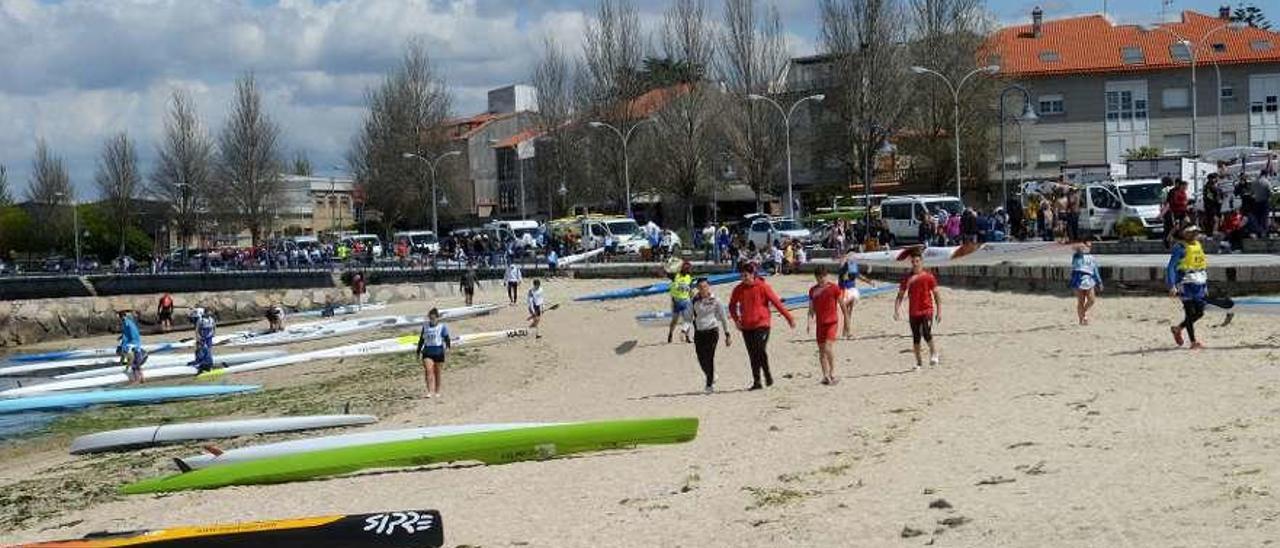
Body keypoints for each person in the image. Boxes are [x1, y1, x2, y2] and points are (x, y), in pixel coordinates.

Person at [728, 262, 796, 390]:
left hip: (762, 323)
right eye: (742, 276)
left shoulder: (763, 287)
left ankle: (767, 373)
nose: (744, 278)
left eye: (746, 276)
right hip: (746, 326)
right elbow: (732, 305)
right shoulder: (738, 289)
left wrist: (789, 318)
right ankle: (757, 381)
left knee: (760, 350)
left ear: (753, 274)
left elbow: (776, 302)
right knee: (752, 354)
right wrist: (736, 320)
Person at [894, 251, 942, 370]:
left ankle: (934, 353)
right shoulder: (907, 278)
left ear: (921, 262)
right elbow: (900, 295)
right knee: (916, 338)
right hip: (913, 312)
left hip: (927, 310)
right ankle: (919, 362)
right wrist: (896, 310)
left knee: (926, 332)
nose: (915, 264)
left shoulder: (929, 276)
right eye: (913, 262)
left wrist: (939, 312)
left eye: (917, 261)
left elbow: (937, 296)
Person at [1167, 225, 1208, 350]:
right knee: (1189, 312)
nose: (1195, 235)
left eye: (1196, 233)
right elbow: (1171, 267)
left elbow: (1202, 265)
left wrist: (1205, 285)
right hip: (1185, 283)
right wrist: (1172, 285)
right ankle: (1193, 341)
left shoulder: (1198, 245)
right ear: (1185, 234)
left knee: (1200, 312)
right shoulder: (1179, 248)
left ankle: (1178, 329)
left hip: (1199, 281)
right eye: (1192, 233)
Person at [690, 277, 731, 394]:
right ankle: (712, 375)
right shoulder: (694, 300)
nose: (703, 289)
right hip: (699, 332)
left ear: (708, 287)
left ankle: (709, 385)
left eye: (705, 286)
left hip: (712, 331)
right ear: (697, 288)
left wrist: (727, 334)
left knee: (709, 357)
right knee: (701, 359)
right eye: (700, 287)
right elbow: (689, 316)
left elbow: (723, 318)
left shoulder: (716, 300)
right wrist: (684, 330)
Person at [808, 265, 844, 385]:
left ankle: (832, 373)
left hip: (832, 322)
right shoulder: (813, 290)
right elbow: (811, 309)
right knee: (821, 351)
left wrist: (847, 322)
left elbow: (842, 304)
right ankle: (825, 375)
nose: (821, 279)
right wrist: (809, 322)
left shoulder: (834, 288)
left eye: (823, 276)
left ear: (827, 276)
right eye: (819, 277)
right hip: (820, 324)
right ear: (816, 278)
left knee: (828, 348)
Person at [838, 251, 876, 339]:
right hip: (844, 291)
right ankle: (847, 333)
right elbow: (842, 275)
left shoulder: (853, 267)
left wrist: (870, 282)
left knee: (849, 312)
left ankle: (846, 331)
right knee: (846, 312)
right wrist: (846, 259)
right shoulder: (844, 267)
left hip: (852, 291)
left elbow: (860, 276)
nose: (853, 258)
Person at [416, 308, 450, 398]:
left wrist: (448, 347)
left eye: (433, 318)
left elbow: (447, 338)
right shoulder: (425, 326)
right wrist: (418, 351)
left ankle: (437, 391)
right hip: (427, 352)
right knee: (428, 370)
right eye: (430, 318)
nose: (432, 320)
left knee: (437, 372)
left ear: (437, 318)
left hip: (438, 351)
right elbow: (421, 339)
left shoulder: (442, 327)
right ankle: (429, 391)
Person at [1070, 241, 1102, 325]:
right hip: (1078, 278)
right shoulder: (1077, 256)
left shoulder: (1092, 258)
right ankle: (1082, 319)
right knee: (1081, 300)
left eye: (1090, 246)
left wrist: (1099, 281)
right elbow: (1074, 251)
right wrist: (1079, 248)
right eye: (1087, 246)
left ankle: (1083, 312)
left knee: (1091, 300)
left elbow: (1095, 270)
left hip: (1089, 278)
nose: (1088, 248)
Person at [117, 310, 148, 384]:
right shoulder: (128, 322)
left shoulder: (127, 323)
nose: (121, 319)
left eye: (121, 317)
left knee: (134, 366)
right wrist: (122, 337)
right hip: (135, 345)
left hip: (133, 345)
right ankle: (142, 378)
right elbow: (128, 332)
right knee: (137, 364)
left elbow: (131, 334)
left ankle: (137, 380)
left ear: (122, 317)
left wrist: (126, 367)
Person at [667, 261, 695, 344]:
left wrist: (692, 297)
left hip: (686, 300)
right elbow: (665, 273)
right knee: (674, 320)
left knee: (688, 319)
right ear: (682, 268)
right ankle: (670, 333)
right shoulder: (675, 275)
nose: (687, 270)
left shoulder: (689, 277)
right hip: (676, 301)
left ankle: (687, 336)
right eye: (686, 268)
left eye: (689, 268)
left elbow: (690, 289)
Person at [188, 307, 217, 374]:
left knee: (208, 349)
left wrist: (213, 333)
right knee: (201, 349)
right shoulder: (200, 319)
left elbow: (214, 327)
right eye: (209, 312)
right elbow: (197, 329)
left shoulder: (211, 319)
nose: (210, 313)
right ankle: (200, 362)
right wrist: (198, 336)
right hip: (202, 336)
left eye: (211, 312)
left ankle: (209, 363)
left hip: (209, 336)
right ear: (206, 312)